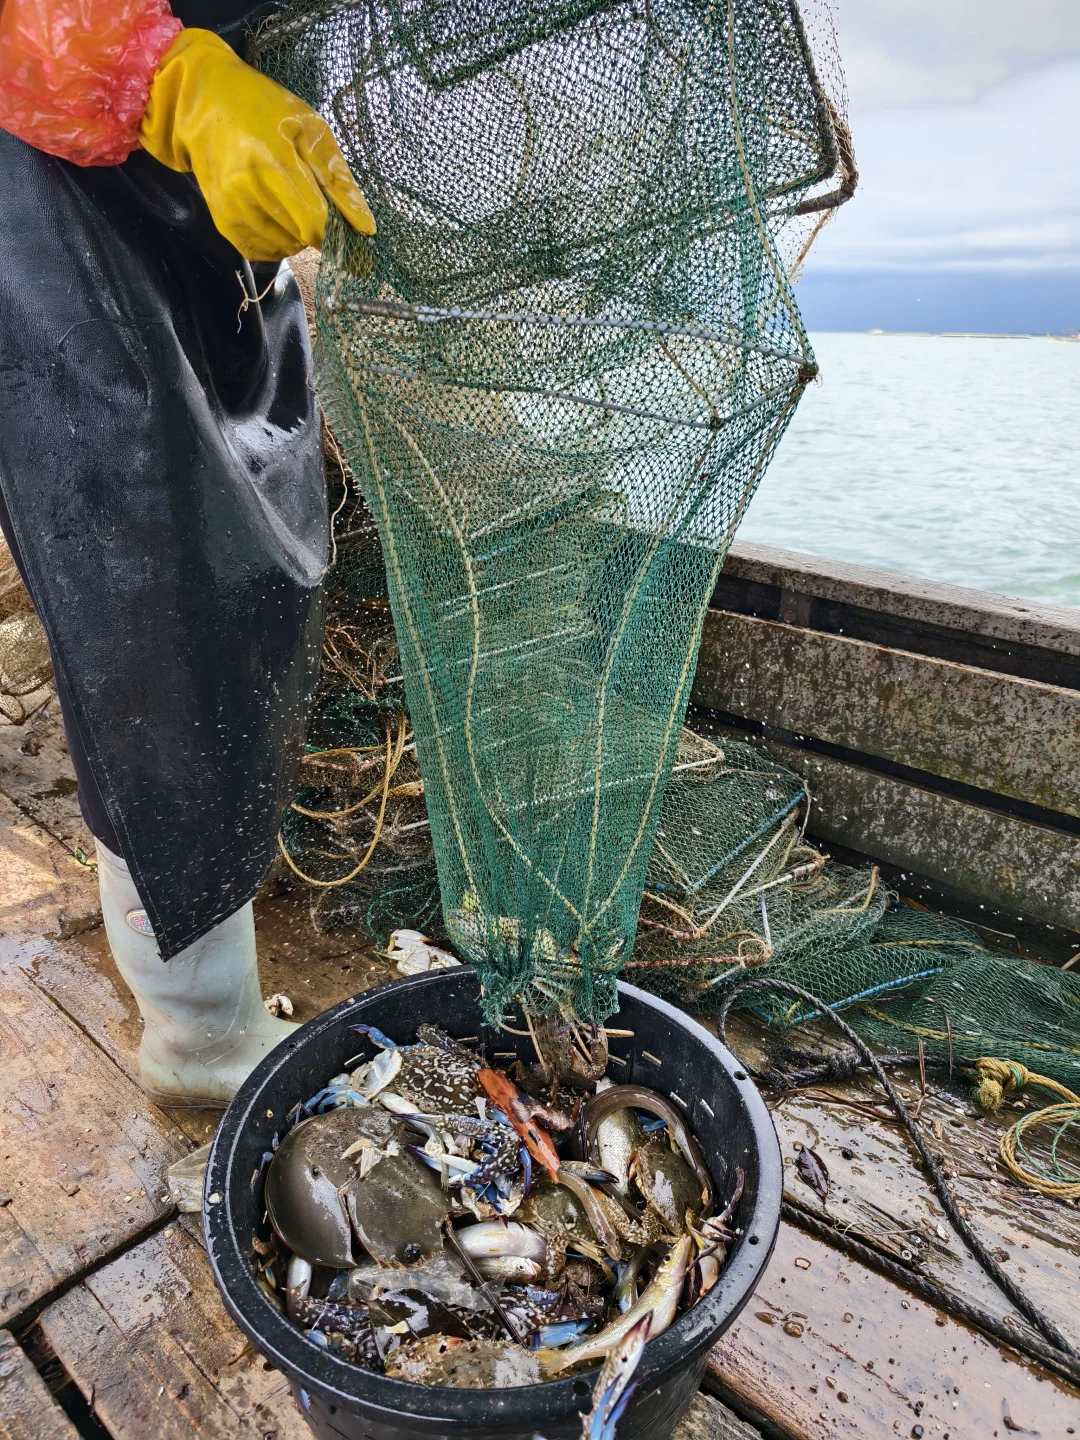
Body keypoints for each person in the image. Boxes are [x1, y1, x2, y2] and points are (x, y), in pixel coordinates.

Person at [0, 0, 374, 1106]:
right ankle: (200, 1038)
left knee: (244, 580)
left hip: (197, 214)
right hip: (50, 185)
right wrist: (165, 78)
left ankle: (211, 1010)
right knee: (145, 610)